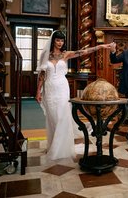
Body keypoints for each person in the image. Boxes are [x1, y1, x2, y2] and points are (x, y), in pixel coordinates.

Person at [36, 30, 112, 160]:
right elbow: (42, 75)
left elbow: (84, 52)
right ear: (53, 40)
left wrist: (101, 46)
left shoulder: (65, 55)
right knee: (52, 117)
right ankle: (53, 144)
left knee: (62, 116)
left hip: (62, 88)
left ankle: (60, 148)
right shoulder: (46, 56)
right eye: (58, 40)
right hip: (49, 88)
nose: (60, 43)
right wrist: (38, 91)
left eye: (62, 41)